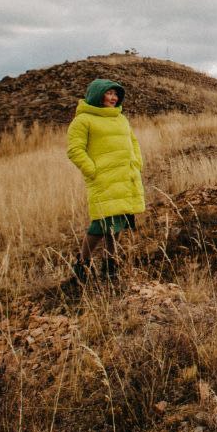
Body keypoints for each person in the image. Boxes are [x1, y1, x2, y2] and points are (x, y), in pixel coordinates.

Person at [65, 78, 145, 285]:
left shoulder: (121, 118)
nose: (112, 98)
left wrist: (136, 162)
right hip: (104, 179)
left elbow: (133, 141)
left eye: (115, 94)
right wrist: (93, 171)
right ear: (96, 94)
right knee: (100, 224)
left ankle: (110, 265)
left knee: (116, 223)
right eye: (108, 93)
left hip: (125, 177)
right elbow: (75, 150)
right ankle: (82, 264)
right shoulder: (83, 120)